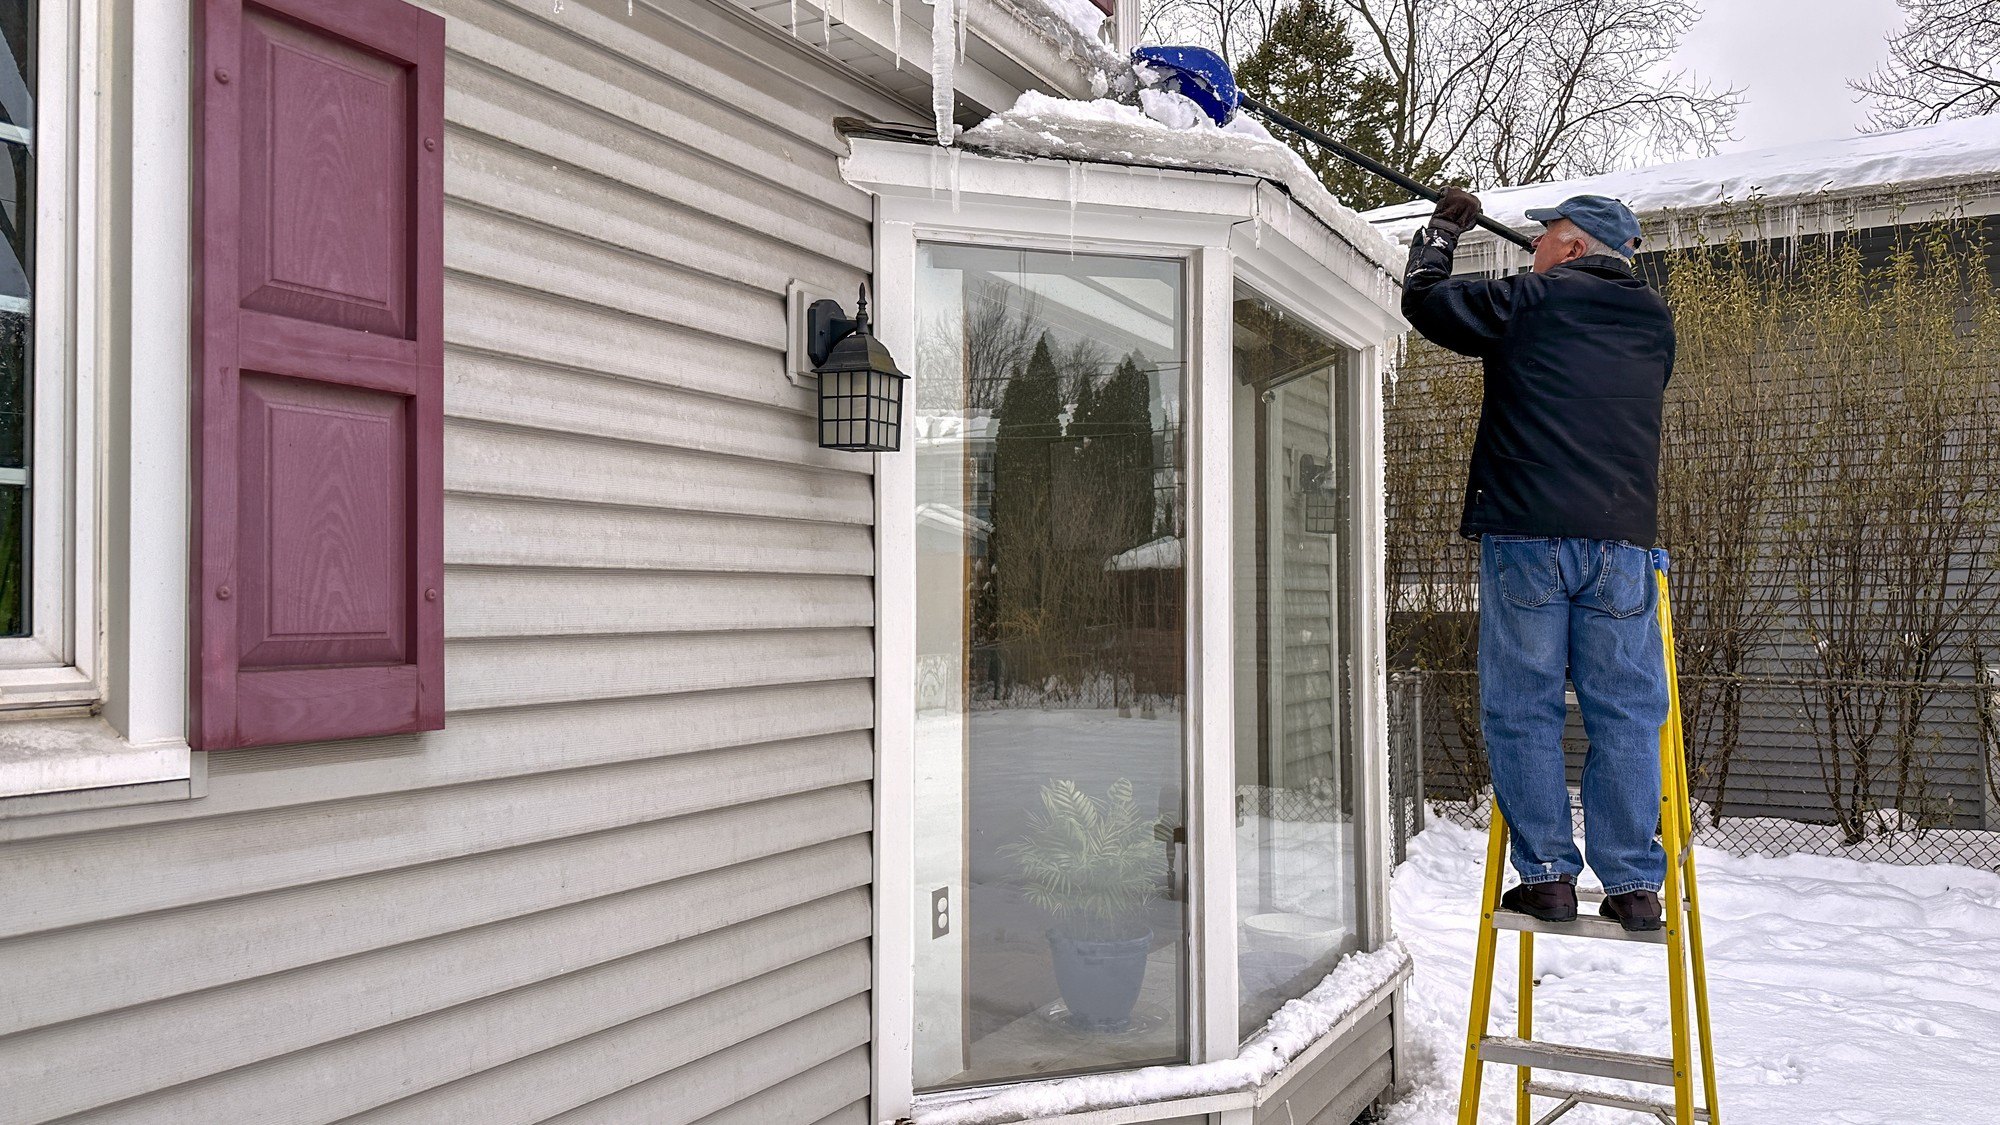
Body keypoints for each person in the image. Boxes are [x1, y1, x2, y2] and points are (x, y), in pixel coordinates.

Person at [1400, 190, 1676, 932]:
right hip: (1622, 543)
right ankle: (1633, 885)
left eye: (1547, 237)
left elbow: (1426, 304)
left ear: (1577, 247)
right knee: (1624, 711)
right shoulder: (1655, 322)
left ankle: (1549, 876)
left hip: (1529, 537)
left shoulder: (1533, 301)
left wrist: (1440, 233)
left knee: (1524, 706)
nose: (1535, 249)